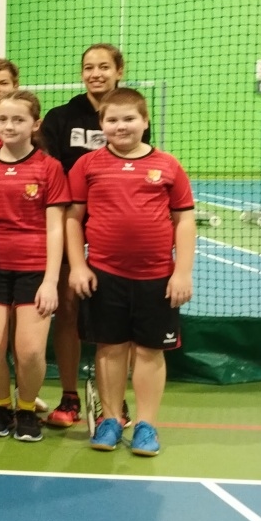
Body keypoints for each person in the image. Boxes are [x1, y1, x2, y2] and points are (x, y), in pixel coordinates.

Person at [66, 87, 195, 457]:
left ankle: (146, 425)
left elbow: (184, 220)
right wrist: (78, 265)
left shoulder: (168, 165)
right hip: (105, 275)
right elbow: (73, 218)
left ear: (145, 120)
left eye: (129, 119)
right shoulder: (87, 165)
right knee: (110, 349)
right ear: (101, 123)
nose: (120, 126)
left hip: (157, 278)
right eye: (112, 120)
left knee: (151, 352)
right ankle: (110, 420)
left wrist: (182, 272)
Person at [0, 90, 67, 443]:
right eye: (3, 119)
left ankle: (26, 408)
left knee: (29, 351)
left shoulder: (49, 167)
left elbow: (55, 227)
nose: (9, 126)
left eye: (18, 119)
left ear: (35, 124)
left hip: (34, 271)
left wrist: (51, 281)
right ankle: (1, 406)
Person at [40, 43, 126, 429]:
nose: (96, 74)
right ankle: (69, 395)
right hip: (69, 223)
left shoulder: (127, 115)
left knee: (114, 314)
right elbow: (53, 175)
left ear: (119, 71)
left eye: (104, 67)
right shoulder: (61, 117)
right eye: (89, 67)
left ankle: (115, 402)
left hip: (112, 228)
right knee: (68, 309)